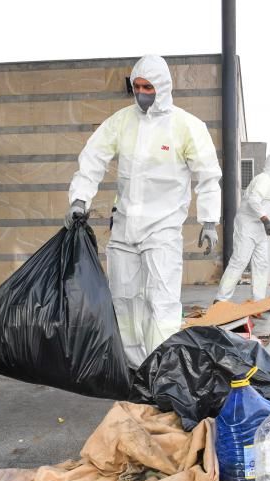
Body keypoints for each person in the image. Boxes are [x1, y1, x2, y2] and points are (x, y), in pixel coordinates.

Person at [66, 54, 222, 369]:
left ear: (162, 87)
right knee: (124, 301)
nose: (141, 93)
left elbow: (208, 175)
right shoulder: (122, 121)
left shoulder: (186, 126)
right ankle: (135, 367)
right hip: (124, 228)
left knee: (161, 301)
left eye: (147, 86)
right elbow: (93, 157)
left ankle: (161, 368)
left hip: (162, 229)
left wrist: (209, 220)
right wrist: (79, 199)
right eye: (136, 86)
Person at [215, 154, 270, 303]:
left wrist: (266, 223)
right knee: (239, 261)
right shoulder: (263, 180)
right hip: (248, 227)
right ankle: (221, 299)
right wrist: (266, 220)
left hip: (260, 230)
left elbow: (265, 204)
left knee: (262, 263)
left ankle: (258, 300)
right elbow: (253, 200)